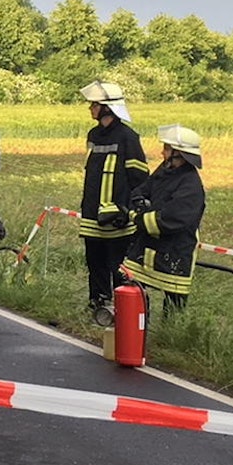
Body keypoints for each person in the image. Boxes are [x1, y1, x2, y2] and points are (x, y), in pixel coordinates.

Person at [76, 80, 149, 321]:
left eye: (94, 104)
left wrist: (127, 208)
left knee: (119, 268)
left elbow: (139, 178)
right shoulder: (93, 135)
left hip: (117, 218)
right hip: (92, 214)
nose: (90, 109)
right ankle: (98, 307)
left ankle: (125, 313)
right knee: (95, 263)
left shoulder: (128, 137)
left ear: (107, 108)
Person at [123, 124, 206, 311]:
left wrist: (138, 218)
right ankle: (137, 335)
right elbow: (139, 193)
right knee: (133, 297)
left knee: (173, 307)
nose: (162, 153)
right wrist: (139, 208)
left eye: (167, 148)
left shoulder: (191, 185)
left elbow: (170, 219)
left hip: (174, 253)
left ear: (180, 153)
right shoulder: (164, 172)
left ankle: (169, 339)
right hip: (146, 248)